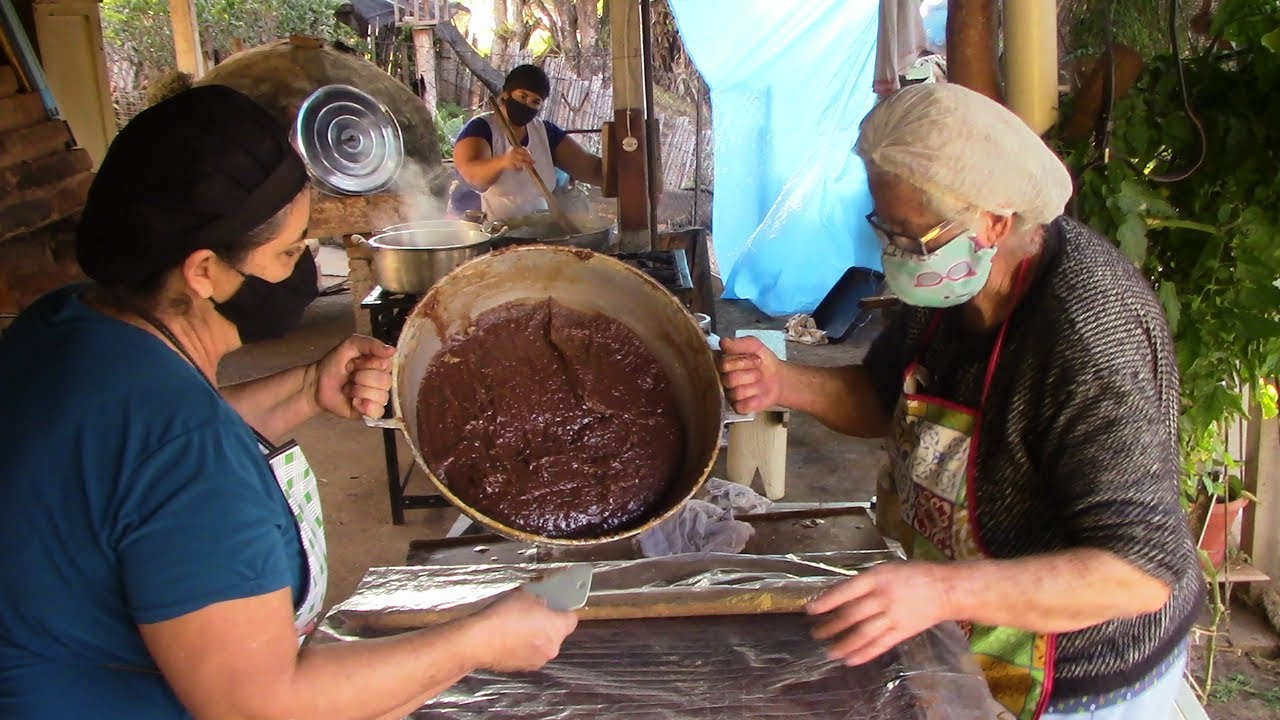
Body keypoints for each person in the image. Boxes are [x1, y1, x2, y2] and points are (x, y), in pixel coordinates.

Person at [0, 85, 578, 720]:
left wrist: (305, 388)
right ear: (202, 271)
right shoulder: (191, 458)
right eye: (286, 252)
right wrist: (480, 640)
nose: (304, 267)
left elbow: (131, 465)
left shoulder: (66, 322)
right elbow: (262, 706)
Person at [718, 83, 1203, 720]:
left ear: (995, 222)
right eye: (884, 231)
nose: (896, 256)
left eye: (912, 239)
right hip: (969, 626)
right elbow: (881, 396)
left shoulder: (1087, 335)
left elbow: (1139, 571)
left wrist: (941, 591)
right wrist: (783, 382)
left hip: (1085, 675)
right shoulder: (948, 291)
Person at [452, 64, 604, 221]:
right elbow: (472, 176)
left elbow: (589, 168)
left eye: (535, 101)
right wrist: (503, 162)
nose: (526, 105)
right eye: (522, 96)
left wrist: (625, 177)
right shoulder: (480, 128)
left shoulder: (545, 132)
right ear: (506, 93)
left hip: (537, 230)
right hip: (490, 231)